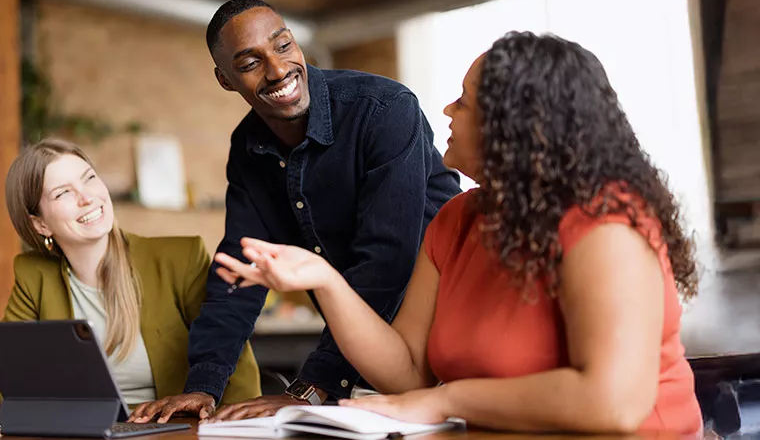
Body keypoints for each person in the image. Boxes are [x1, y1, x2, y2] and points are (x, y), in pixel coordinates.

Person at [211, 31, 703, 435]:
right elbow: (407, 369)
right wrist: (325, 280)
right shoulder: (457, 219)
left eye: (464, 102)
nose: (447, 111)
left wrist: (444, 399)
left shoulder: (606, 223)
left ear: (519, 128)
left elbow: (612, 405)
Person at [130, 0, 461, 422]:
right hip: (367, 363)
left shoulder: (383, 110)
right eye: (250, 63)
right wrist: (202, 386)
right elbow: (240, 270)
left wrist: (313, 387)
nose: (277, 69)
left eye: (283, 45)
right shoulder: (248, 150)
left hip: (450, 340)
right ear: (225, 80)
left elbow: (386, 262)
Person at [0, 139, 260, 421]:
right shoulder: (34, 275)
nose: (86, 197)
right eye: (63, 193)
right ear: (40, 224)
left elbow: (235, 368)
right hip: (83, 432)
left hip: (173, 432)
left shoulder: (179, 258)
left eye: (89, 178)